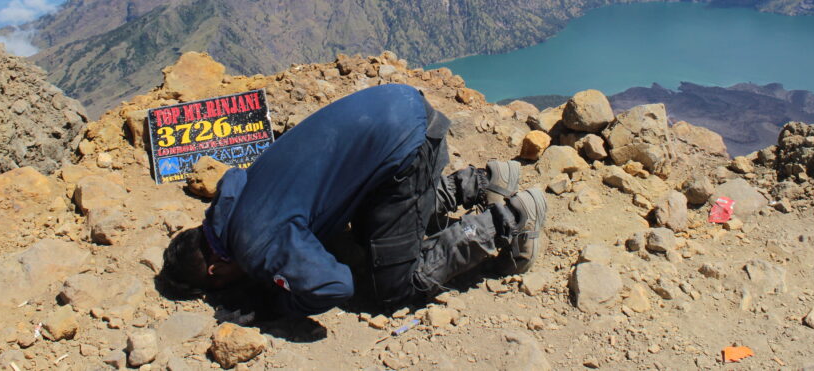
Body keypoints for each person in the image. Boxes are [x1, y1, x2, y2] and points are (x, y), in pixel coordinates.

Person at [161, 83, 547, 317]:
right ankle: (484, 182)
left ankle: (510, 218)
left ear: (214, 271)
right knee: (368, 236)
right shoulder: (235, 196)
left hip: (407, 142)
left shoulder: (253, 244)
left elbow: (334, 285)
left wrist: (273, 300)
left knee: (395, 288)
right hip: (395, 107)